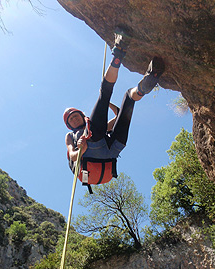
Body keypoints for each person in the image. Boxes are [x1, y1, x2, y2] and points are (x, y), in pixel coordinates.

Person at [64, 29, 165, 190]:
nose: (74, 119)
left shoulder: (94, 128)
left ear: (82, 116)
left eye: (76, 116)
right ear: (69, 125)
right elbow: (72, 154)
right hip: (102, 150)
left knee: (129, 98)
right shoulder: (70, 136)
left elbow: (119, 115)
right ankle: (119, 52)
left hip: (110, 148)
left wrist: (107, 103)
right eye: (71, 119)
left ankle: (142, 87)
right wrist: (81, 150)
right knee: (104, 92)